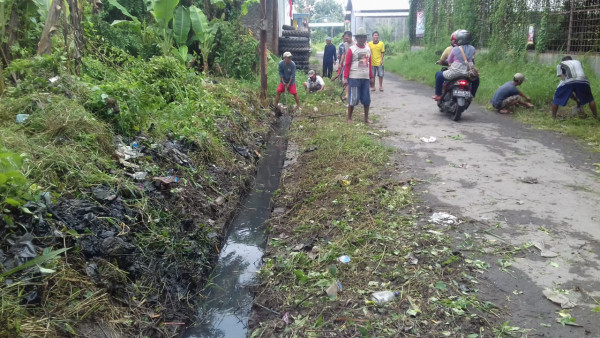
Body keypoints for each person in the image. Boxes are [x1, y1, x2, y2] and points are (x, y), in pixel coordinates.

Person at [432, 29, 479, 101]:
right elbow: (472, 59)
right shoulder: (473, 49)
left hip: (455, 73)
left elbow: (449, 61)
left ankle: (438, 95)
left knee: (438, 75)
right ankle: (472, 94)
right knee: (477, 79)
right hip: (468, 73)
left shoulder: (454, 49)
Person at [344, 27, 374, 124]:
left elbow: (369, 64)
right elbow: (347, 64)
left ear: (366, 38)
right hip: (354, 78)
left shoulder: (368, 49)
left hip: (365, 78)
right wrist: (345, 78)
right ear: (357, 38)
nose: (362, 39)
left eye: (363, 37)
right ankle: (349, 118)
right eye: (360, 37)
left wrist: (371, 76)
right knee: (353, 98)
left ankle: (366, 118)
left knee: (366, 99)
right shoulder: (352, 49)